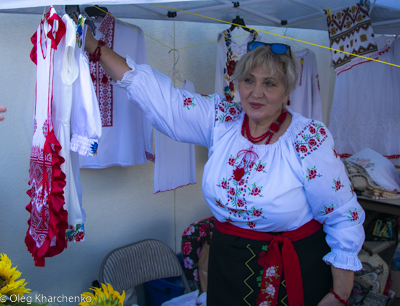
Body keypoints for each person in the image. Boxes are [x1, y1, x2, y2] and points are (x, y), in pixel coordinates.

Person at [84, 29, 365, 306]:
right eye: (248, 80)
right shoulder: (222, 119)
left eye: (270, 83)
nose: (256, 93)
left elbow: (342, 215)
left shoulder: (308, 139)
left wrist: (340, 294)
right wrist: (93, 45)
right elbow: (161, 99)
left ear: (287, 91)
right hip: (226, 267)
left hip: (289, 272)